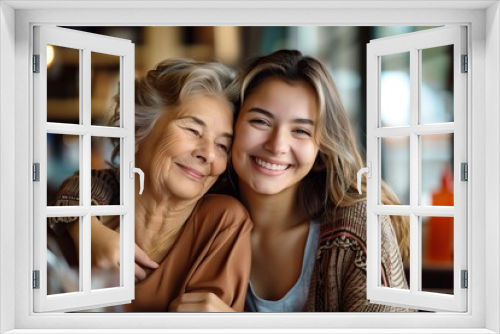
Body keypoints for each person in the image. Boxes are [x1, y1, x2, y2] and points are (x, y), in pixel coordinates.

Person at [172, 50, 412, 312]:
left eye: (300, 130)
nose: (276, 146)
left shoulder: (358, 227)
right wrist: (118, 230)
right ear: (231, 129)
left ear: (321, 152)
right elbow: (132, 171)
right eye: (260, 121)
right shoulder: (199, 209)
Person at [48, 58, 252, 312]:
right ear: (136, 130)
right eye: (192, 130)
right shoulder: (80, 215)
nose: (208, 154)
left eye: (222, 146)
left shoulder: (222, 223)